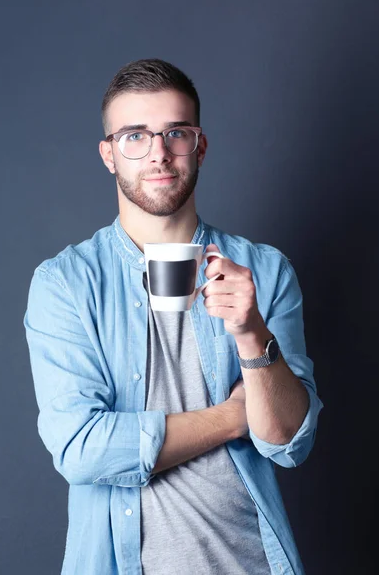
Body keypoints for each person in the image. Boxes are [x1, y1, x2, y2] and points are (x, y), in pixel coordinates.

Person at [24, 58, 324, 575]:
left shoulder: (265, 271)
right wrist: (233, 417)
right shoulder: (65, 283)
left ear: (199, 146)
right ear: (109, 155)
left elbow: (288, 444)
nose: (158, 153)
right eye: (134, 136)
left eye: (176, 133)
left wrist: (252, 336)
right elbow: (81, 449)